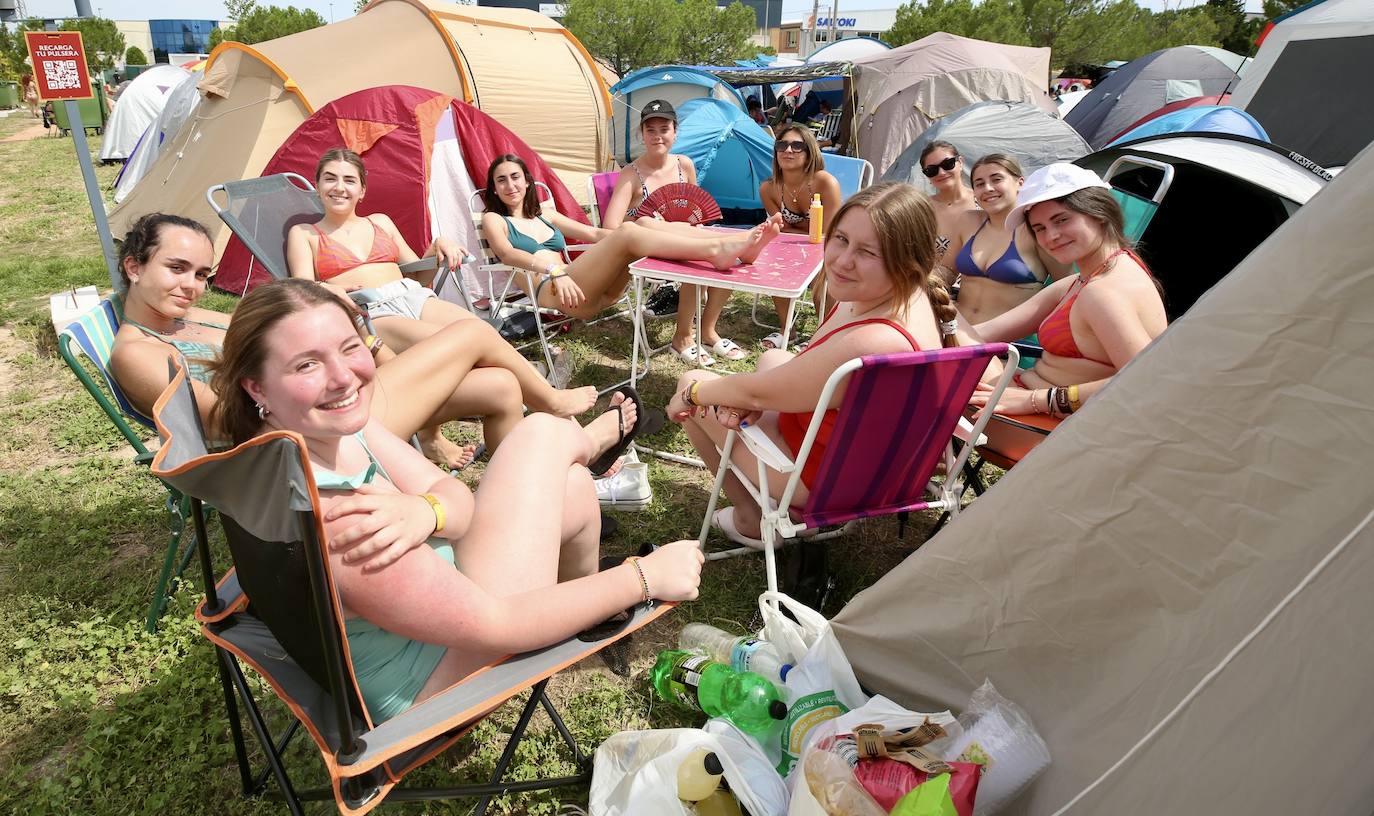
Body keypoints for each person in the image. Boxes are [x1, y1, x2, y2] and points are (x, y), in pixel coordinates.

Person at [209, 278, 704, 721]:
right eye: (307, 364)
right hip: (441, 686)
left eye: (348, 347)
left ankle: (587, 563)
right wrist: (644, 577)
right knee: (539, 438)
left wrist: (428, 509)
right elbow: (501, 626)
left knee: (570, 488)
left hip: (446, 611)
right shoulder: (342, 518)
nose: (343, 377)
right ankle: (586, 445)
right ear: (257, 386)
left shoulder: (316, 435)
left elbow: (457, 500)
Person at [110, 213, 599, 467]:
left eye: (201, 274)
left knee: (500, 388)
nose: (191, 286)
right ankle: (553, 405)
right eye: (176, 269)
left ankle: (518, 492)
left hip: (321, 406)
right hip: (298, 442)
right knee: (470, 331)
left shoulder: (193, 318)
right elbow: (223, 421)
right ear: (134, 267)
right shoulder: (137, 353)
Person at [665, 182, 958, 546]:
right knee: (773, 358)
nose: (843, 260)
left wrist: (695, 393)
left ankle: (751, 519)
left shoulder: (875, 339)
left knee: (693, 381)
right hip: (874, 462)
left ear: (906, 261)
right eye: (841, 239)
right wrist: (753, 398)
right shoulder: (914, 297)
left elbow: (757, 393)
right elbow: (783, 383)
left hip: (829, 483)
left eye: (867, 251)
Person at [967, 163, 1167, 422]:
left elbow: (1148, 381)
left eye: (1062, 220)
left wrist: (1034, 400)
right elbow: (982, 335)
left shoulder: (1103, 292)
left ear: (1100, 213)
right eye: (1039, 228)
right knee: (952, 344)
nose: (1051, 236)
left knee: (941, 383)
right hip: (1033, 408)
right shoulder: (1085, 279)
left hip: (1050, 430)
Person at [481, 153, 782, 322]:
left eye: (515, 177)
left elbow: (597, 234)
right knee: (629, 231)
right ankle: (719, 249)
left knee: (643, 223)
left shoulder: (545, 212)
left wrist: (641, 228)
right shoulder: (495, 219)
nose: (510, 185)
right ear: (493, 189)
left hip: (597, 290)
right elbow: (508, 256)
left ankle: (727, 244)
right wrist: (554, 270)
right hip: (557, 292)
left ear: (527, 181)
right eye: (501, 180)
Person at [286, 148, 477, 354]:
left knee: (480, 331)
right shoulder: (304, 233)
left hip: (414, 295)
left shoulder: (381, 221)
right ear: (317, 186)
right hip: (371, 312)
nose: (339, 187)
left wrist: (437, 246)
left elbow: (418, 276)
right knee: (456, 343)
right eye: (330, 179)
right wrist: (324, 288)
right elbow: (302, 287)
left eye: (349, 180)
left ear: (362, 191)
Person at [602, 100, 747, 365]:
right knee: (698, 262)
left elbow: (696, 209)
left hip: (684, 237)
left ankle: (708, 330)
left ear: (675, 132)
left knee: (731, 257)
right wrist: (641, 217)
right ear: (641, 135)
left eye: (664, 128)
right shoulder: (630, 174)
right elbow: (611, 227)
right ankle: (682, 337)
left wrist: (696, 228)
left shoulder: (684, 165)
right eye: (651, 130)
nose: (658, 136)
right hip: (650, 247)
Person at [946, 154, 1065, 325]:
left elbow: (1068, 287)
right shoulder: (968, 221)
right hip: (959, 331)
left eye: (997, 179)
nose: (988, 188)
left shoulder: (1036, 230)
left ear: (1020, 183)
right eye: (979, 184)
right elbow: (946, 269)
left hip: (1009, 345)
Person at [757, 125, 843, 348]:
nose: (788, 151)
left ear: (810, 151)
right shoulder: (768, 188)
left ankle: (827, 333)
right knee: (776, 264)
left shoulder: (825, 182)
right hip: (792, 247)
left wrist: (793, 232)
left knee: (822, 275)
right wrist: (798, 232)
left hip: (830, 245)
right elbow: (780, 229)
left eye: (797, 146)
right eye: (782, 145)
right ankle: (788, 330)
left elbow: (828, 232)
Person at [917, 141, 977, 284]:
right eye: (932, 170)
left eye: (947, 164)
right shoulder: (922, 208)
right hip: (928, 287)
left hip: (973, 292)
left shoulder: (984, 202)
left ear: (960, 162)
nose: (941, 173)